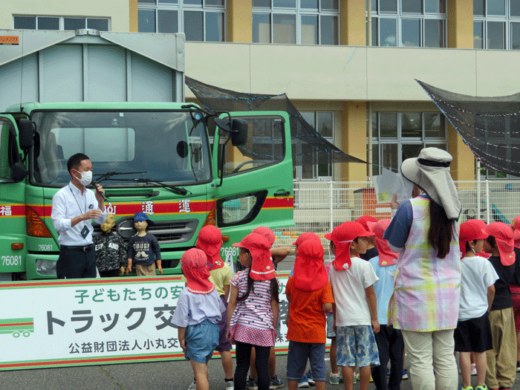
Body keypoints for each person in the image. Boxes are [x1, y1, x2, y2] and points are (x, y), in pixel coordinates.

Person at [384, 147, 461, 390]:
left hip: (415, 296)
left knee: (419, 360)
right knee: (446, 358)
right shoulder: (455, 209)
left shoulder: (409, 208)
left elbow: (394, 246)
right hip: (448, 296)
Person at [327, 221, 380, 390]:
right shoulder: (364, 265)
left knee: (347, 361)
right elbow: (370, 294)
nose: (367, 243)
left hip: (343, 320)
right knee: (364, 360)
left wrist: (335, 319)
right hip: (363, 320)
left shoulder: (334, 269)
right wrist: (375, 318)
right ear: (352, 245)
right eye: (363, 240)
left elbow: (334, 298)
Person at [227, 233, 279, 390]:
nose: (239, 255)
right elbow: (274, 306)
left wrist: (230, 326)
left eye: (241, 252)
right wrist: (274, 328)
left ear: (249, 255)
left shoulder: (238, 277)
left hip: (243, 328)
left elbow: (231, 303)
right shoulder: (272, 280)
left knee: (242, 366)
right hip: (263, 328)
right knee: (262, 367)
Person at [171, 248, 225, 390]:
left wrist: (181, 338)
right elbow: (220, 310)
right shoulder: (212, 288)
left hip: (196, 332)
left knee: (199, 372)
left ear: (186, 270)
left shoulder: (186, 293)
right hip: (213, 330)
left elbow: (182, 319)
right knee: (203, 367)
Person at [285, 239, 334, 390]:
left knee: (294, 369)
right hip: (316, 332)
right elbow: (327, 306)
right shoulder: (324, 283)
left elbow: (289, 298)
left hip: (296, 331)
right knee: (318, 369)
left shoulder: (292, 281)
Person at [455, 220, 498, 390]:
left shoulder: (456, 264)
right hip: (480, 312)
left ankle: (466, 386)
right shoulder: (484, 263)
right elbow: (492, 289)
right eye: (480, 240)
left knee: (464, 351)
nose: (483, 243)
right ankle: (481, 385)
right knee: (480, 351)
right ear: (471, 243)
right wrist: (488, 306)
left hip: (461, 313)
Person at [51, 153, 106, 279]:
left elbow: (102, 220)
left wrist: (100, 201)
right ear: (74, 173)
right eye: (86, 170)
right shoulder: (61, 196)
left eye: (91, 170)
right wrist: (82, 217)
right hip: (71, 253)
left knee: (90, 290)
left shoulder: (91, 194)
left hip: (89, 251)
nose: (90, 174)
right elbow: (58, 225)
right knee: (69, 292)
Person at [248, 226, 289, 389]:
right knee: (269, 343)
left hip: (250, 307)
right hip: (268, 306)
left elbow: (285, 250)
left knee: (250, 343)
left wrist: (260, 250)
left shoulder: (245, 257)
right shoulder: (270, 260)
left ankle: (253, 379)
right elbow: (286, 251)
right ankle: (271, 378)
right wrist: (266, 251)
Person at [195, 225, 234, 390]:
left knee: (201, 348)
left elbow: (187, 287)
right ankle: (229, 381)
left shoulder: (193, 265)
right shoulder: (225, 267)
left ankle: (200, 381)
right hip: (219, 305)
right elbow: (227, 292)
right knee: (224, 346)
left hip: (200, 307)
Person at [366, 219, 404, 390]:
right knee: (397, 356)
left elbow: (368, 293)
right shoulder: (404, 261)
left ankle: (381, 388)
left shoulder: (372, 264)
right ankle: (395, 386)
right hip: (400, 318)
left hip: (378, 319)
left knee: (379, 357)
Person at [483, 222, 516, 390]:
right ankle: (506, 383)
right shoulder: (511, 259)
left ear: (495, 243)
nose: (482, 242)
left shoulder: (487, 264)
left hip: (491, 309)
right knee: (507, 348)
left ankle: (493, 384)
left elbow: (489, 289)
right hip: (507, 307)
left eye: (484, 239)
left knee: (489, 349)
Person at [509, 215, 520, 371]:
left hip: (511, 293)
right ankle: (518, 360)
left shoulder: (510, 249)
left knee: (508, 329)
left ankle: (509, 360)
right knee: (519, 329)